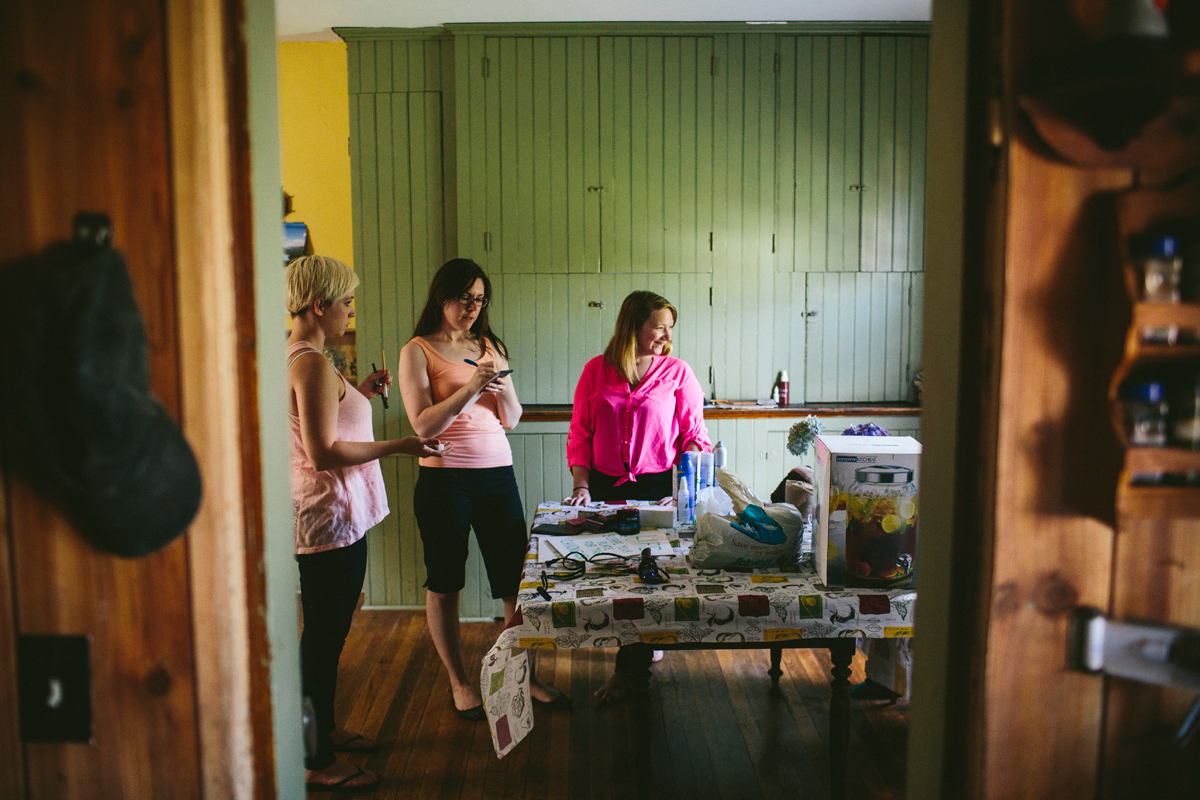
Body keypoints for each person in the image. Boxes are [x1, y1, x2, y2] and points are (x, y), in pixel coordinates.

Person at [286, 255, 445, 792]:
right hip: (328, 518)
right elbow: (323, 451)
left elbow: (328, 415)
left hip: (340, 517)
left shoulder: (311, 359)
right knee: (324, 640)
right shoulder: (309, 362)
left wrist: (359, 391)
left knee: (329, 635)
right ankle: (314, 756)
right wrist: (400, 444)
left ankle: (324, 729)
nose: (350, 312)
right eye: (347, 302)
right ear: (319, 305)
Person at [398, 258, 570, 721]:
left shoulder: (489, 345)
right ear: (441, 297)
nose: (472, 307)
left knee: (515, 581)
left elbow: (510, 419)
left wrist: (501, 379)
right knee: (446, 581)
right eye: (464, 297)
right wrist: (474, 384)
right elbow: (423, 423)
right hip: (444, 478)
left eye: (479, 299)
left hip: (497, 475)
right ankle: (459, 683)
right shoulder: (418, 350)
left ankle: (524, 677)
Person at [564, 290, 711, 701]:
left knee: (648, 581)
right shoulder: (596, 371)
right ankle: (639, 647)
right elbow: (581, 434)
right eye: (658, 326)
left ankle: (629, 673)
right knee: (615, 573)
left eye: (670, 328)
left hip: (658, 488)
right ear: (634, 325)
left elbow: (694, 436)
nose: (666, 335)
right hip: (606, 487)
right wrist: (581, 485)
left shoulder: (677, 372)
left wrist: (684, 487)